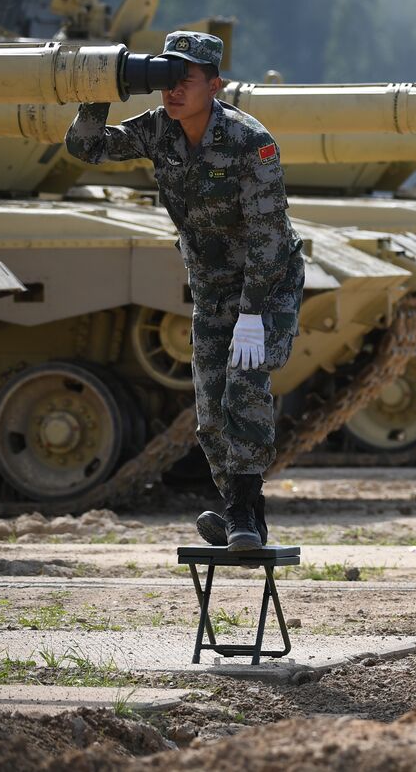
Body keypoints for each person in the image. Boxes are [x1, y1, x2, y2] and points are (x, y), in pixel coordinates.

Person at [66, 31, 304, 550]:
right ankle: (243, 510)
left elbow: (267, 236)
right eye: (167, 78)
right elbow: (86, 147)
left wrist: (252, 314)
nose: (173, 90)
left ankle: (243, 509)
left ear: (214, 84)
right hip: (212, 284)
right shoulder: (158, 130)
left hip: (266, 284)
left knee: (243, 386)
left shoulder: (249, 140)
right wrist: (101, 86)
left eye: (185, 79)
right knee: (209, 412)